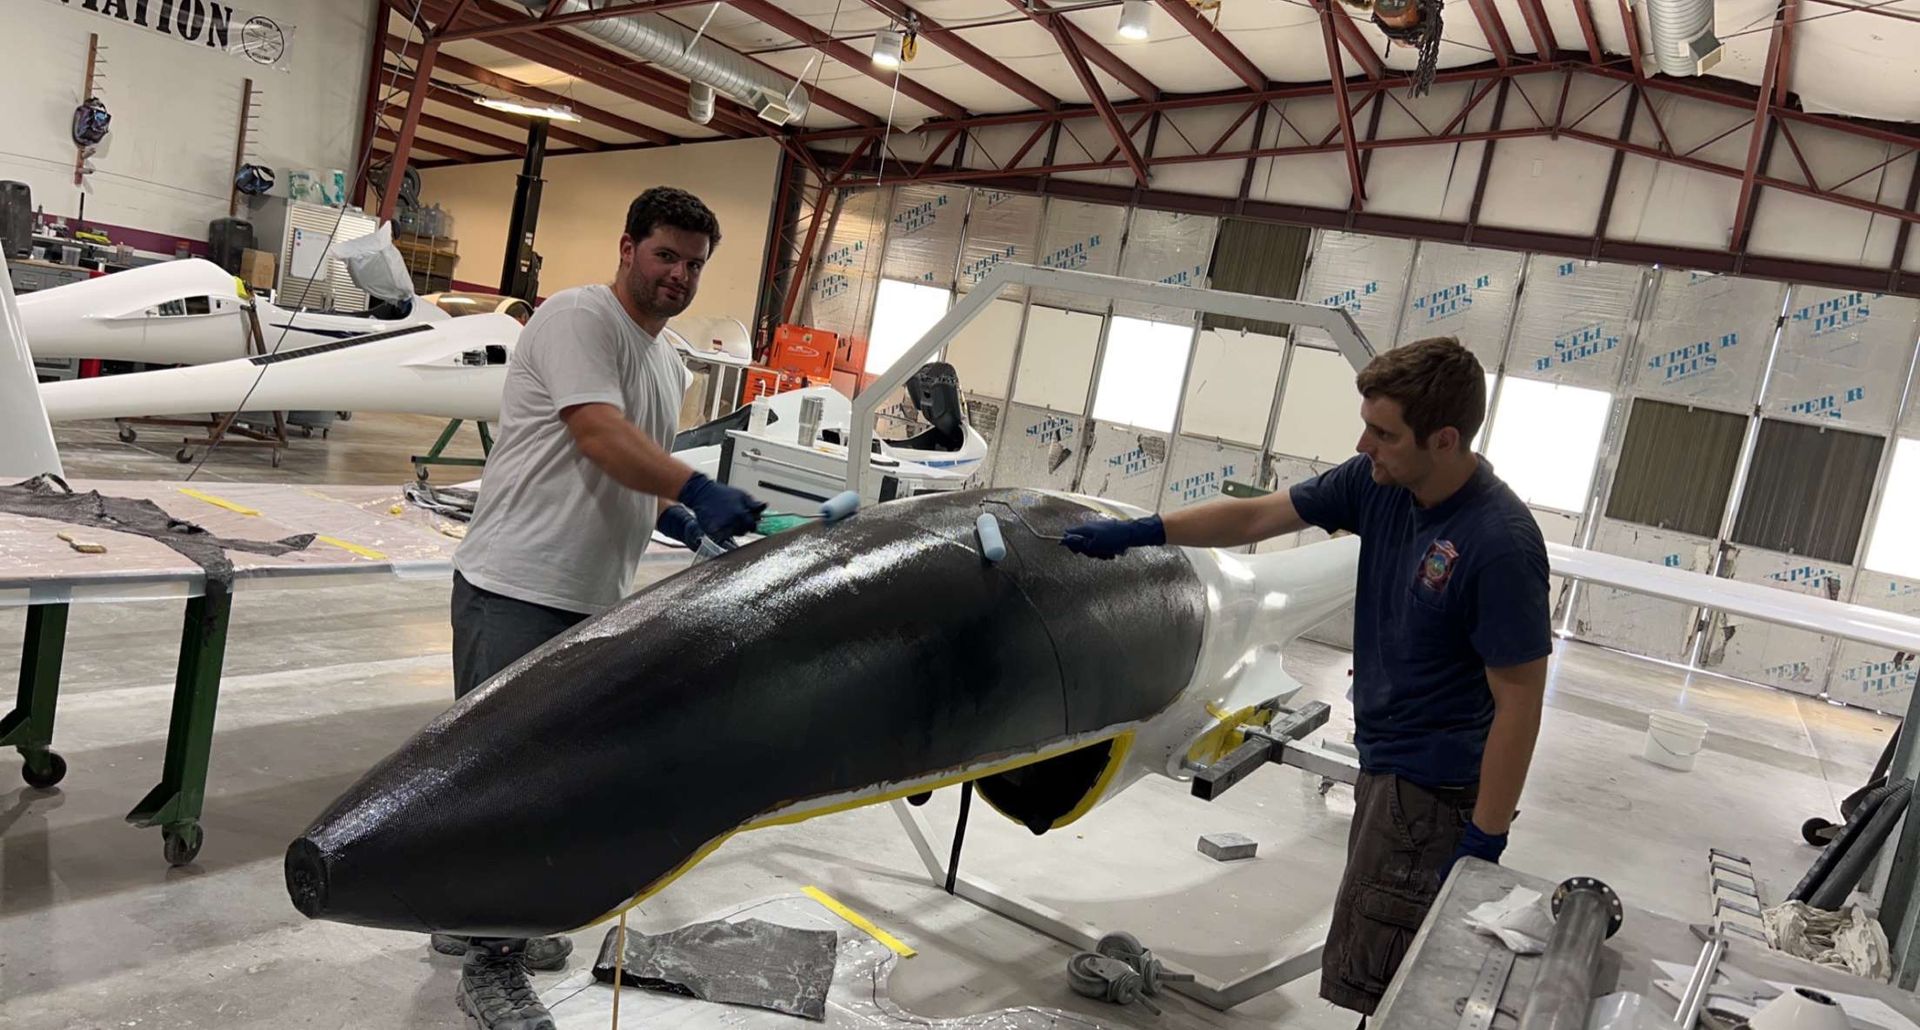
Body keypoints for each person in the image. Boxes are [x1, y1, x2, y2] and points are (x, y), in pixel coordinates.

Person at [1059, 336, 1551, 1017]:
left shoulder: (1499, 544)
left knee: (1392, 979)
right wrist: (1144, 532)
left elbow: (1520, 699)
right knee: (1376, 962)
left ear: (1443, 440)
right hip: (1386, 767)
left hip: (1433, 792)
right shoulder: (1378, 485)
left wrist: (1485, 836)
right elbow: (1261, 513)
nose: (1364, 443)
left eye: (1383, 432)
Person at [440, 186, 764, 1030]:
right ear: (627, 248)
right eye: (665, 256)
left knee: (539, 773)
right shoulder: (581, 318)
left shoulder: (665, 358)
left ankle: (470, 915)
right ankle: (489, 962)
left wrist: (682, 516)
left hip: (587, 595)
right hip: (517, 584)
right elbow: (597, 435)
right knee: (503, 782)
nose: (678, 276)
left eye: (694, 265)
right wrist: (695, 483)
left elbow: (633, 467)